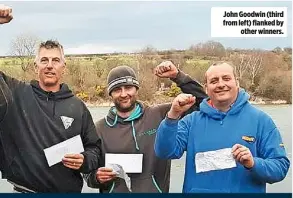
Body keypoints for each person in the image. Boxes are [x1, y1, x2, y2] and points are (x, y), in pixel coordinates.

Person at [0, 5, 102, 192]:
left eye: (55, 60)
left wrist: (84, 160)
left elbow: (95, 149)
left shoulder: (77, 107)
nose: (49, 65)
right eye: (44, 60)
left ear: (64, 66)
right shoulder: (16, 94)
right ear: (35, 65)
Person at [154, 61, 290, 193]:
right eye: (214, 81)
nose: (221, 84)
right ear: (206, 88)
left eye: (226, 78)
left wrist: (253, 163)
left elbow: (280, 168)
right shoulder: (191, 122)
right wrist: (173, 115)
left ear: (237, 83)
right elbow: (165, 152)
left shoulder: (261, 121)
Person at [84, 61, 207, 193]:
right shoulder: (99, 129)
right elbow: (87, 172)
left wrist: (177, 76)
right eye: (117, 90)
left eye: (128, 87)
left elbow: (204, 103)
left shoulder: (161, 114)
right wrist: (96, 177)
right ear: (110, 94)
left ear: (136, 89)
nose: (124, 94)